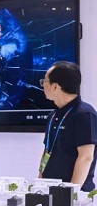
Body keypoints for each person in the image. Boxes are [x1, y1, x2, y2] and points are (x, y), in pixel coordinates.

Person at [39, 61, 97, 191]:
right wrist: (40, 181)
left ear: (55, 86)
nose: (42, 85)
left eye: (45, 81)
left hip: (75, 193)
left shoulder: (85, 114)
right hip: (49, 189)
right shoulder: (53, 115)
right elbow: (47, 150)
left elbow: (86, 157)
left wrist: (71, 192)